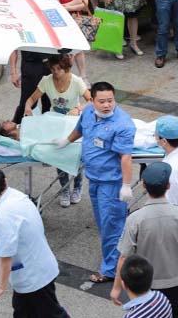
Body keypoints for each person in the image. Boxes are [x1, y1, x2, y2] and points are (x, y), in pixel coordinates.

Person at [53, 81, 136, 283]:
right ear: (92, 100)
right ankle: (120, 252)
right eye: (102, 101)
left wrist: (126, 185)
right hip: (95, 178)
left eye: (110, 101)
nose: (107, 105)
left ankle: (111, 270)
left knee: (110, 225)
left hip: (111, 183)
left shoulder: (122, 124)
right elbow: (80, 129)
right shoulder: (89, 112)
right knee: (103, 222)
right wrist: (66, 141)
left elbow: (126, 157)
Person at [0, 169, 69, 317]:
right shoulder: (16, 197)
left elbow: (5, 256)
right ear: (5, 181)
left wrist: (0, 287)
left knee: (52, 314)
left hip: (34, 278)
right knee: (23, 312)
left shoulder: (4, 215)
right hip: (36, 271)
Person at [111, 162, 178, 318]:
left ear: (144, 185)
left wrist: (117, 287)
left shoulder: (135, 219)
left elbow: (124, 257)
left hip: (149, 286)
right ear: (168, 186)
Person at [24, 55, 91, 207]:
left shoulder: (76, 81)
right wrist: (28, 109)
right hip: (55, 121)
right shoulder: (46, 81)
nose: (55, 72)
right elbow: (31, 99)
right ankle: (65, 188)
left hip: (73, 122)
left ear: (66, 68)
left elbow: (91, 100)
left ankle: (78, 187)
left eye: (58, 69)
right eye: (52, 69)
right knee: (58, 152)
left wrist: (78, 108)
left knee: (75, 154)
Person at [49, 0, 90, 86]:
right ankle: (65, 77)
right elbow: (56, 7)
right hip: (61, 22)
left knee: (79, 49)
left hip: (77, 20)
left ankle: (83, 76)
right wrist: (75, 2)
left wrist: (66, 6)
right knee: (64, 52)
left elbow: (85, 4)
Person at [10, 48, 52, 124]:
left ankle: (45, 130)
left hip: (51, 63)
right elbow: (14, 48)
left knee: (49, 104)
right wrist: (13, 72)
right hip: (31, 65)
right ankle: (15, 127)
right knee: (26, 104)